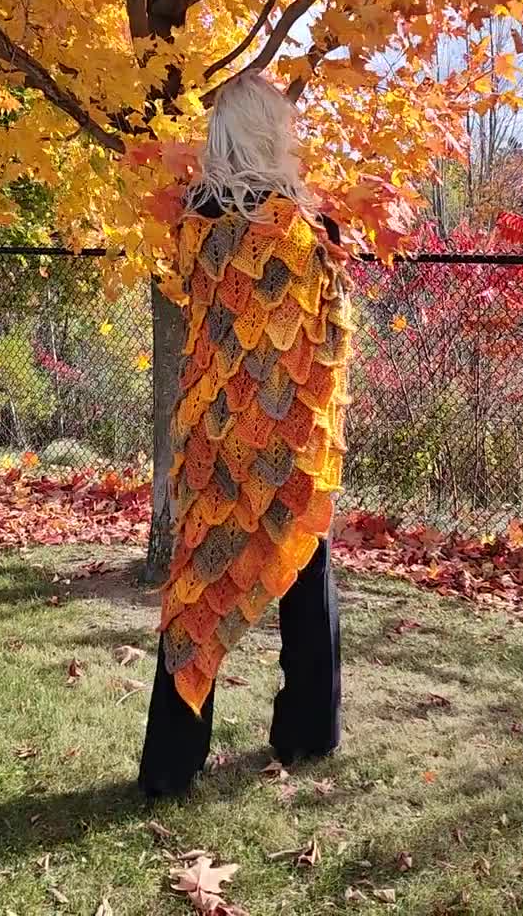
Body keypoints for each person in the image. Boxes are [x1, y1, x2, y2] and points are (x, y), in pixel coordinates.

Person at [138, 73, 353, 799]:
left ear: (222, 135)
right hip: (290, 437)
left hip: (215, 432)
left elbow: (205, 313)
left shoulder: (191, 222)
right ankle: (309, 730)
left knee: (197, 589)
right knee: (305, 571)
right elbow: (330, 333)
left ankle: (170, 763)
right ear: (274, 132)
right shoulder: (312, 226)